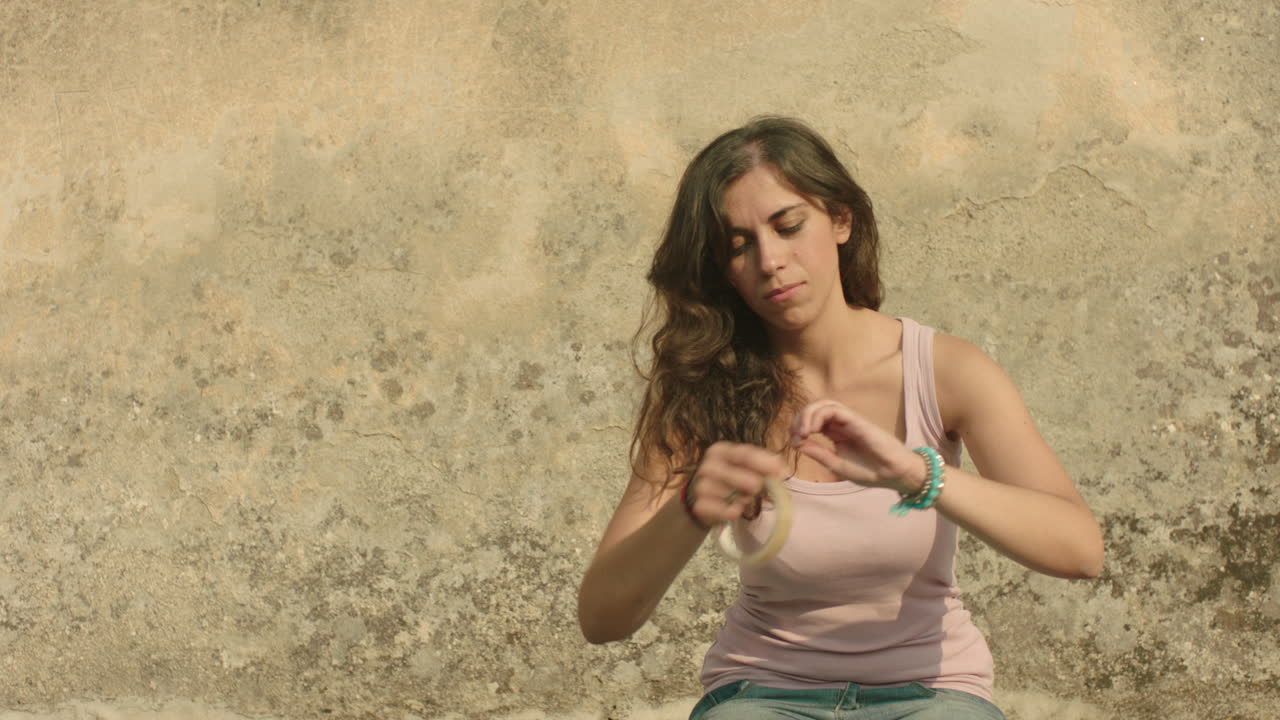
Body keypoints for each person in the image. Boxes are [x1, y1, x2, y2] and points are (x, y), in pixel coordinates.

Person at [576, 116, 1104, 720]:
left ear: (841, 221)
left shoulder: (944, 371)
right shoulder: (706, 389)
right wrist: (690, 507)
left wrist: (918, 475)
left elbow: (1081, 550)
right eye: (738, 244)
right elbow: (601, 618)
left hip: (930, 693)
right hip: (762, 693)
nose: (770, 260)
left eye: (788, 225)